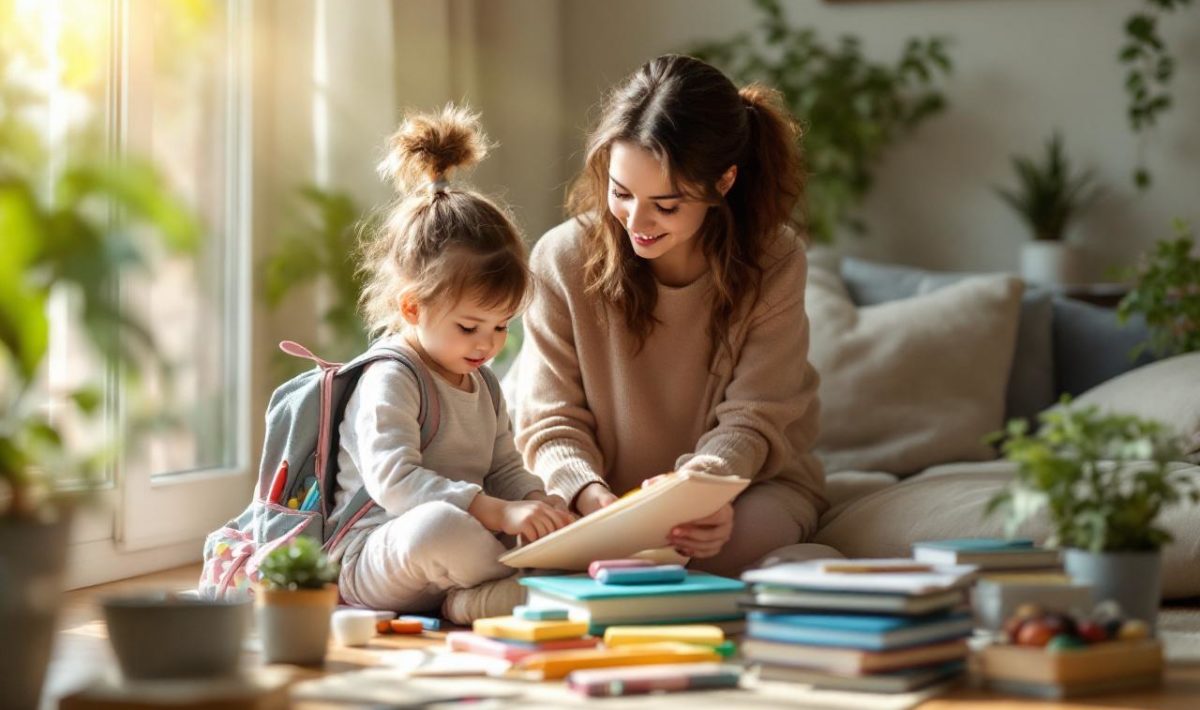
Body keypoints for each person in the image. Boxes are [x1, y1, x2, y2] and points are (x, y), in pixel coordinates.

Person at [514, 54, 827, 578]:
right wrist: (589, 496)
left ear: (723, 182)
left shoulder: (776, 260)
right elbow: (550, 419)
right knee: (564, 550)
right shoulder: (561, 258)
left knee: (715, 552)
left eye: (667, 203)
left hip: (741, 487)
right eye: (621, 192)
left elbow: (756, 415)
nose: (637, 221)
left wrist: (705, 488)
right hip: (595, 495)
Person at [331, 105, 574, 624]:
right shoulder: (391, 377)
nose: (488, 344)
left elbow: (504, 467)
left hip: (461, 556)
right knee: (438, 526)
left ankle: (489, 595)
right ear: (412, 307)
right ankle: (507, 592)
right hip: (376, 554)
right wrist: (496, 512)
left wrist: (540, 505)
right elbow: (396, 482)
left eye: (502, 326)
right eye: (469, 327)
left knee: (534, 528)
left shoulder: (482, 382)